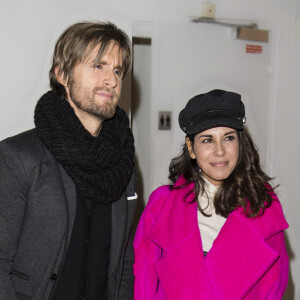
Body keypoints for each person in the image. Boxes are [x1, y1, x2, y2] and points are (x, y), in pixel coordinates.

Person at [0, 21, 137, 300]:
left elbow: (123, 262)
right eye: (98, 66)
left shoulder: (123, 163)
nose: (111, 79)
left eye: (117, 70)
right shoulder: (19, 157)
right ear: (62, 74)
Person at [134, 89, 289, 299]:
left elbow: (275, 288)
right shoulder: (162, 206)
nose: (219, 151)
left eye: (228, 138)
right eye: (207, 140)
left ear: (240, 144)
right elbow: (143, 284)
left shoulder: (264, 208)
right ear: (191, 148)